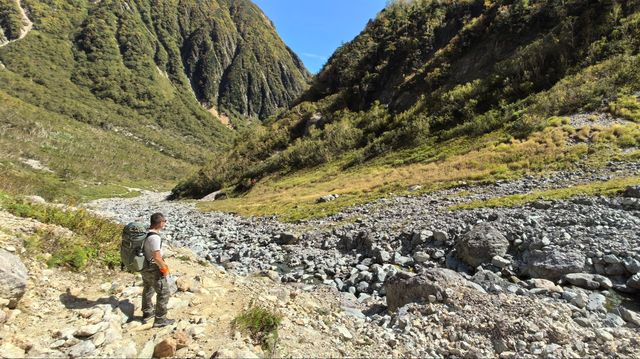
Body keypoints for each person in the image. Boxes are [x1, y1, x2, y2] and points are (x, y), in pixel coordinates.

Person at [141, 212, 174, 328]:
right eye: (164, 221)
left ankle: (147, 312)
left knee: (148, 288)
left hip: (144, 266)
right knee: (164, 293)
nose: (165, 223)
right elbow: (157, 257)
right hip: (153, 268)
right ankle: (160, 319)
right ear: (160, 222)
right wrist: (164, 269)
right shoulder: (154, 237)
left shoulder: (145, 233)